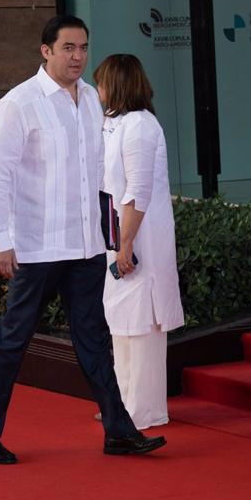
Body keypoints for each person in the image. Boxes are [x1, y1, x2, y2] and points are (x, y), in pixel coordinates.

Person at [0, 15, 165, 464]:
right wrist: (0, 239)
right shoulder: (19, 103)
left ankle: (118, 430)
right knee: (13, 339)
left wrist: (107, 234)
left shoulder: (92, 100)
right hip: (36, 246)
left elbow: (96, 173)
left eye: (83, 48)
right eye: (68, 47)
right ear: (46, 51)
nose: (77, 56)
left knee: (94, 338)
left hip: (85, 246)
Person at [94, 54, 184, 430]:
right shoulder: (113, 123)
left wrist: (126, 243)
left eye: (100, 82)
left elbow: (138, 191)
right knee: (121, 320)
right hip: (116, 232)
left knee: (142, 322)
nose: (96, 90)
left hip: (138, 232)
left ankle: (143, 409)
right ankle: (122, 402)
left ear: (115, 83)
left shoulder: (142, 126)